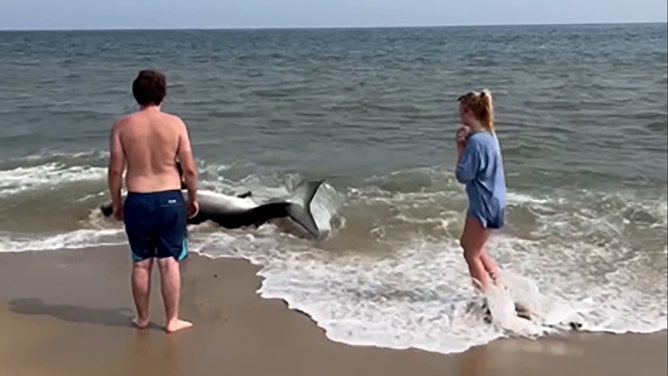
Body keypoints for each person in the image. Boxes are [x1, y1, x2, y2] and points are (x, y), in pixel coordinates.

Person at [107, 69, 199, 333]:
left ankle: (143, 318)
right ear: (163, 94)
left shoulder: (122, 126)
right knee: (169, 261)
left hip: (138, 200)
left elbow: (115, 170)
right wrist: (193, 198)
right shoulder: (176, 124)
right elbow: (189, 169)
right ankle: (172, 320)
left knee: (141, 262)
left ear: (136, 94)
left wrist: (116, 203)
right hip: (170, 199)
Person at [454, 89, 506, 294]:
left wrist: (460, 148)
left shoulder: (475, 142)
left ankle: (487, 296)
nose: (459, 116)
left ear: (468, 112)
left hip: (483, 203)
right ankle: (499, 283)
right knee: (472, 246)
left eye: (461, 112)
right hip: (495, 200)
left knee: (470, 252)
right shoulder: (489, 135)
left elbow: (463, 175)